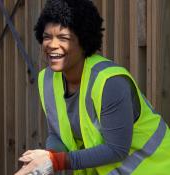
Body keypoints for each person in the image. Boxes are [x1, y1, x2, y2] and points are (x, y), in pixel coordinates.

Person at [14, 0, 170, 174]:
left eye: (63, 37)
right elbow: (58, 135)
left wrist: (56, 161)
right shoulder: (47, 80)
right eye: (47, 37)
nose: (52, 44)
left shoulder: (110, 82)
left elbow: (117, 149)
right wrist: (48, 156)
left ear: (84, 41)